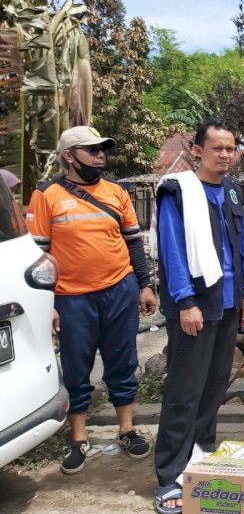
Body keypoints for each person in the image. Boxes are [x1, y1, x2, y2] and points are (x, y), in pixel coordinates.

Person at [25, 126, 156, 474]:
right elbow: (36, 255)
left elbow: (134, 244)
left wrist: (144, 285)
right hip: (71, 298)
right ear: (70, 156)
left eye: (103, 149)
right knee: (77, 366)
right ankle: (79, 438)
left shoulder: (117, 193)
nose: (101, 155)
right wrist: (46, 303)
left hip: (119, 290)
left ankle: (127, 429)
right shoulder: (47, 196)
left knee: (122, 361)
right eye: (92, 150)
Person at [153, 119, 244, 514]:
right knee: (184, 390)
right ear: (198, 150)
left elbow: (241, 242)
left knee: (214, 386)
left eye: (231, 149)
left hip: (229, 302)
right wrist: (184, 302)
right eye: (218, 148)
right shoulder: (177, 191)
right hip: (196, 303)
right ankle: (169, 475)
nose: (226, 155)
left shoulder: (231, 190)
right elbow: (172, 249)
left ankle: (201, 453)